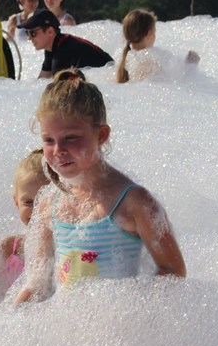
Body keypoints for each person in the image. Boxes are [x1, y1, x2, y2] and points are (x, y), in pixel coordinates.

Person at [15, 69, 186, 303]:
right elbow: (37, 284)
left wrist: (129, 306)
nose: (58, 150)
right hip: (64, 320)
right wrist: (10, 317)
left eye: (71, 138)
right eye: (48, 140)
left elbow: (173, 272)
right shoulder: (49, 204)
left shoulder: (133, 202)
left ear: (102, 135)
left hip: (119, 321)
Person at [0, 148, 49, 294]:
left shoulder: (63, 247)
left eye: (44, 202)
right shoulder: (9, 248)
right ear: (16, 202)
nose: (36, 210)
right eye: (28, 202)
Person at [18, 9, 113, 79]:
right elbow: (41, 80)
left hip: (108, 76)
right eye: (27, 33)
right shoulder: (53, 47)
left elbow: (57, 92)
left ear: (50, 31)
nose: (29, 37)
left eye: (33, 33)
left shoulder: (62, 54)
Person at [116, 8, 200, 83]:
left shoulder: (126, 61)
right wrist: (191, 66)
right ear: (149, 34)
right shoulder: (150, 63)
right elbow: (170, 87)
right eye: (154, 31)